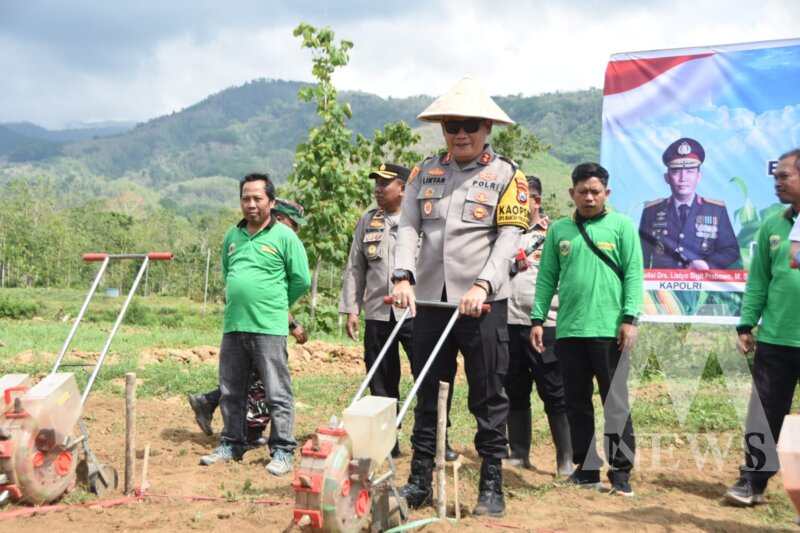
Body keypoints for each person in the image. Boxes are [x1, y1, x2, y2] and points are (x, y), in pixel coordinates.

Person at [391, 76, 530, 517]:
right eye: (452, 126)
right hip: (431, 302)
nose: (461, 134)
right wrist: (402, 277)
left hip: (482, 304)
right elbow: (408, 226)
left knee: (488, 394)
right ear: (443, 130)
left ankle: (491, 483)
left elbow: (508, 238)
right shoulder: (424, 172)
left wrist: (483, 285)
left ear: (487, 127)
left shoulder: (507, 175)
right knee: (427, 389)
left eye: (470, 125)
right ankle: (419, 479)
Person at [531, 162, 643, 497]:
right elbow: (546, 277)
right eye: (583, 192)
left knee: (615, 402)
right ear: (572, 193)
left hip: (610, 332)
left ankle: (620, 473)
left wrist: (629, 319)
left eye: (595, 192)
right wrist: (537, 319)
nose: (589, 198)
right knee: (576, 402)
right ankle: (587, 468)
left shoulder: (622, 226)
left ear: (607, 193)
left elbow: (634, 274)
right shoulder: (559, 230)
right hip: (569, 331)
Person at [200, 174, 311, 478]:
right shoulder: (232, 236)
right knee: (231, 390)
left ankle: (283, 450)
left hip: (269, 327)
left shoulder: (285, 237)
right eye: (246, 198)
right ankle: (231, 444)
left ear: (271, 202)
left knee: (277, 392)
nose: (251, 204)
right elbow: (228, 272)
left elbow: (301, 280)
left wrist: (275, 303)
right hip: (235, 325)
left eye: (257, 198)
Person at [725, 148, 800, 506]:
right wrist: (746, 324)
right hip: (776, 338)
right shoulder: (773, 224)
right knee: (764, 413)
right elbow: (758, 281)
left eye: (784, 176)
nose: (777, 182)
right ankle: (751, 483)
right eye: (776, 176)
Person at [339, 163, 415, 458]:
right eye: (377, 184)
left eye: (385, 184)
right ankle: (388, 441)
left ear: (403, 188)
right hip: (378, 313)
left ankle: (433, 438)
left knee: (427, 374)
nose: (378, 189)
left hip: (415, 313)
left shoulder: (418, 219)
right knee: (381, 378)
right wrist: (352, 309)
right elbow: (355, 267)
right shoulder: (369, 221)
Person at [504, 175, 573, 477]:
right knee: (514, 389)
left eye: (523, 198)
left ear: (536, 201)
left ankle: (565, 459)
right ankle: (519, 453)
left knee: (555, 392)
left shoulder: (554, 233)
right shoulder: (504, 234)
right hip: (509, 321)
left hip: (546, 325)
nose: (517, 204)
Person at [639, 137, 741, 269]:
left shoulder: (716, 210)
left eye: (690, 171)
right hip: (662, 281)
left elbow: (731, 250)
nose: (683, 178)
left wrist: (707, 264)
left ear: (699, 176)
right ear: (667, 178)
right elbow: (641, 255)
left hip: (701, 281)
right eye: (676, 171)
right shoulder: (651, 211)